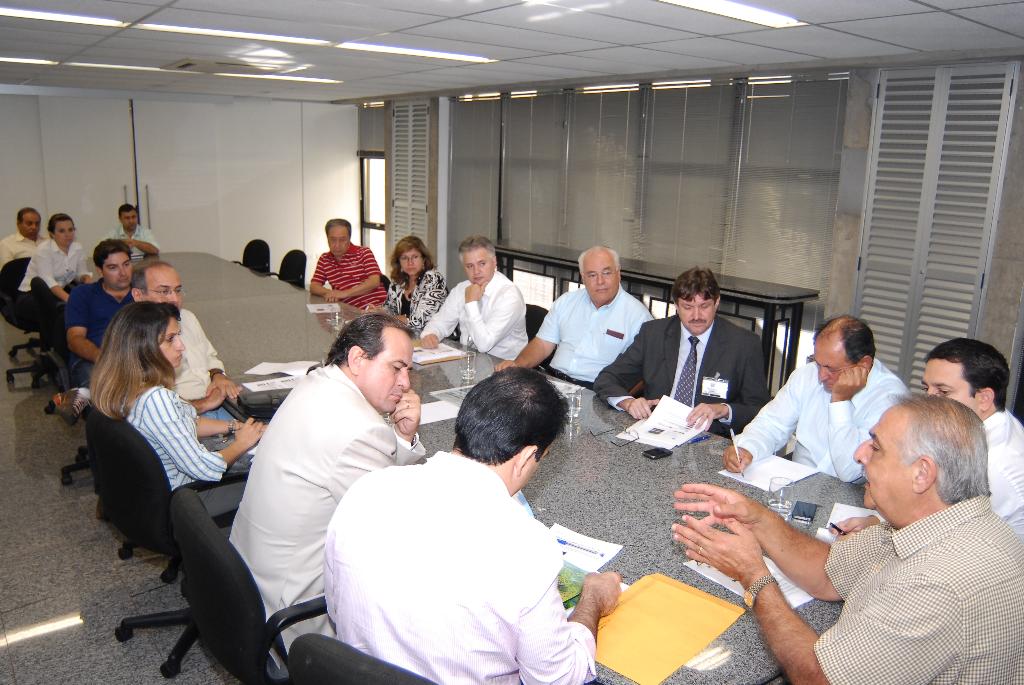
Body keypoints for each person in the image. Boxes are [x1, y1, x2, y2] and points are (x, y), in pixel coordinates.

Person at [674, 395, 1024, 684]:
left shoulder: (936, 581)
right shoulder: (937, 524)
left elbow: (820, 678)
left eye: (877, 447)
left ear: (922, 474)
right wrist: (759, 518)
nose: (859, 454)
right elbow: (828, 573)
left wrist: (754, 575)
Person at [325, 367, 622, 684]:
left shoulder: (367, 489)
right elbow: (560, 679)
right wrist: (592, 600)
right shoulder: (526, 546)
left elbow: (335, 606)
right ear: (526, 458)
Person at [230, 312, 426, 646]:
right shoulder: (359, 429)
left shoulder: (317, 381)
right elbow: (393, 524)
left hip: (246, 573)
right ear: (357, 358)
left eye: (408, 369)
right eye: (396, 367)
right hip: (291, 607)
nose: (405, 382)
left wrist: (402, 437)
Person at [841, 338, 1024, 542]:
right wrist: (878, 523)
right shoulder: (983, 421)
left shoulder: (995, 469)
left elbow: (948, 536)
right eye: (926, 388)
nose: (928, 401)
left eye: (943, 392)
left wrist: (876, 536)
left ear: (984, 399)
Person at [89, 302, 263, 514]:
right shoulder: (156, 399)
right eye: (171, 339)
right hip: (187, 500)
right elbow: (206, 469)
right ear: (143, 347)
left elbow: (187, 421)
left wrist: (234, 427)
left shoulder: (126, 386)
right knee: (273, 480)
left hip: (156, 494)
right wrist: (243, 443)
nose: (182, 345)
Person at [724, 315, 906, 482]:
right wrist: (747, 447)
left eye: (831, 368)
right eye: (817, 363)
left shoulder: (891, 399)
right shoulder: (807, 375)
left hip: (852, 496)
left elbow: (850, 471)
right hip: (797, 480)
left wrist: (840, 401)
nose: (821, 376)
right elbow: (772, 423)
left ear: (863, 364)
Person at [593, 267, 769, 436]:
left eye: (704, 306)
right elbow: (607, 378)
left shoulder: (743, 344)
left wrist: (722, 410)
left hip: (709, 438)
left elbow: (759, 409)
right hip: (655, 430)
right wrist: (629, 402)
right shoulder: (654, 334)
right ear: (676, 306)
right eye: (688, 307)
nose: (696, 316)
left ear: (717, 303)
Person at [495, 246, 652, 388]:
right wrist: (517, 364)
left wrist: (622, 400)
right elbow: (542, 345)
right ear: (583, 277)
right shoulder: (567, 301)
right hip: (552, 381)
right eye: (592, 275)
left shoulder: (639, 317)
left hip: (596, 390)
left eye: (607, 272)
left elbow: (646, 371)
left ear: (619, 274)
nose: (600, 281)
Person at [130, 260, 240, 419]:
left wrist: (218, 375)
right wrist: (203, 404)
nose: (174, 299)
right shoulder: (133, 337)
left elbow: (209, 356)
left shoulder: (188, 317)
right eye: (164, 291)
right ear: (138, 295)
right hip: (183, 416)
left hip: (218, 401)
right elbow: (150, 408)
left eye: (178, 290)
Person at [53, 239, 135, 423]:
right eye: (113, 267)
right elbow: (75, 339)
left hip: (133, 358)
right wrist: (105, 358)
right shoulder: (83, 294)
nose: (123, 273)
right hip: (93, 359)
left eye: (126, 265)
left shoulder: (142, 293)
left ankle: (80, 396)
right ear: (100, 270)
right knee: (105, 398)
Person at [420, 235, 527, 360]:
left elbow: (484, 345)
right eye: (470, 266)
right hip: (468, 361)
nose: (476, 271)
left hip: (505, 368)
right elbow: (441, 322)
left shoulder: (509, 296)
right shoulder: (461, 289)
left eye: (482, 263)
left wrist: (471, 304)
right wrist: (431, 334)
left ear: (494, 262)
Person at [14, 213, 92, 328]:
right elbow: (49, 282)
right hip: (32, 297)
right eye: (62, 231)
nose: (67, 234)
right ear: (52, 234)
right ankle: (56, 344)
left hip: (58, 293)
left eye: (71, 230)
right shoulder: (44, 250)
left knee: (88, 307)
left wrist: (88, 281)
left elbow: (81, 274)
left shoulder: (77, 247)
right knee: (66, 313)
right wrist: (70, 301)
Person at [309, 218, 386, 308]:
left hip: (376, 307)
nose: (337, 245)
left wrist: (343, 294)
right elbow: (314, 286)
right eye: (333, 240)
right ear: (327, 239)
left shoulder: (364, 252)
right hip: (349, 311)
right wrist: (330, 293)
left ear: (349, 239)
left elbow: (374, 281)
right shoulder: (324, 259)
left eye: (342, 240)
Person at [382, 235, 447, 331]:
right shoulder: (398, 282)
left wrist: (391, 320)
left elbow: (421, 321)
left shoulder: (433, 279)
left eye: (415, 257)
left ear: (424, 259)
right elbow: (390, 309)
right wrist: (379, 311)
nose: (410, 263)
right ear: (398, 262)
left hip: (432, 338)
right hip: (405, 335)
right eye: (404, 258)